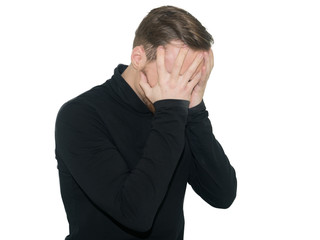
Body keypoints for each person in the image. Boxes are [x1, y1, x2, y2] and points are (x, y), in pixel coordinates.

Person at [55, 5, 237, 240]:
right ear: (138, 58)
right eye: (174, 74)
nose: (182, 87)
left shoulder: (177, 110)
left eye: (191, 76)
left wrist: (195, 110)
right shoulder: (80, 116)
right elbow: (135, 214)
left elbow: (222, 195)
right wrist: (171, 113)